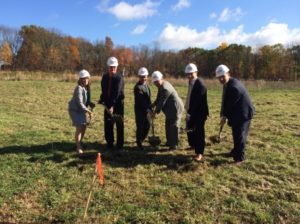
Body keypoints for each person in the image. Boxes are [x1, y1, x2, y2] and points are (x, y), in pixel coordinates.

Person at [216, 64, 255, 165]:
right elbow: (225, 101)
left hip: (244, 113)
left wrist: (224, 117)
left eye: (222, 76)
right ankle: (235, 151)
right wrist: (223, 115)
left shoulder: (234, 87)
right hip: (237, 112)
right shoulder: (228, 84)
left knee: (240, 135)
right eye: (219, 77)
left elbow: (229, 105)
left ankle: (240, 158)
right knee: (236, 133)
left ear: (228, 74)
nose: (221, 79)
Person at [151, 71, 184, 150]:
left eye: (157, 81)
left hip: (175, 108)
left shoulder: (165, 88)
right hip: (169, 109)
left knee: (174, 126)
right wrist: (153, 104)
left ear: (161, 79)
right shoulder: (161, 86)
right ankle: (169, 141)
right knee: (168, 125)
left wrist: (155, 112)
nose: (156, 84)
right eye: (154, 82)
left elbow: (161, 102)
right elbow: (159, 98)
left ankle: (174, 145)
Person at [184, 63, 209, 161]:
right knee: (190, 129)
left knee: (199, 132)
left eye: (191, 73)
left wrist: (190, 114)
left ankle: (199, 153)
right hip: (191, 110)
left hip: (199, 113)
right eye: (188, 74)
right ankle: (193, 145)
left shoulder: (200, 85)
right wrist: (188, 111)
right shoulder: (190, 82)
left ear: (196, 72)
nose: (189, 75)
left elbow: (197, 103)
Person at [99, 57, 124, 150]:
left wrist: (112, 106)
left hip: (118, 104)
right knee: (108, 124)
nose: (112, 68)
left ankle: (120, 145)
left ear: (117, 67)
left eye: (114, 67)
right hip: (107, 103)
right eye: (111, 67)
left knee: (119, 124)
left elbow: (117, 93)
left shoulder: (119, 78)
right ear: (108, 67)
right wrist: (102, 99)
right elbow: (104, 90)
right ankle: (109, 143)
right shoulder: (104, 77)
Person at [68, 69, 93, 154]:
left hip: (81, 110)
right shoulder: (79, 88)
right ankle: (78, 147)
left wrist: (90, 103)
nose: (85, 80)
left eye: (87, 78)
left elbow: (86, 99)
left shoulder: (86, 88)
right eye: (83, 78)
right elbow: (80, 103)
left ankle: (79, 143)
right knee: (79, 127)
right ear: (80, 80)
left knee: (84, 126)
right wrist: (88, 111)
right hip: (75, 110)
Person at [134, 67, 152, 149]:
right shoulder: (137, 87)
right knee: (140, 126)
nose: (144, 78)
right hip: (140, 111)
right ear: (139, 77)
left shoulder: (146, 85)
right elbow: (141, 101)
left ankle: (142, 139)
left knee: (147, 125)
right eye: (142, 76)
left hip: (147, 109)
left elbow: (148, 99)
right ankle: (139, 142)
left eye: (145, 76)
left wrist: (150, 108)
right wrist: (147, 109)